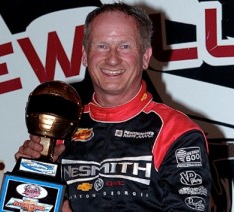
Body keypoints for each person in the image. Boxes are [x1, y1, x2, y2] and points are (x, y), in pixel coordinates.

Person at [15, 3, 211, 211]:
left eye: (125, 46)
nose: (112, 59)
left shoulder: (177, 132)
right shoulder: (63, 126)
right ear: (84, 55)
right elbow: (29, 205)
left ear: (145, 57)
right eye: (102, 46)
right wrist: (30, 173)